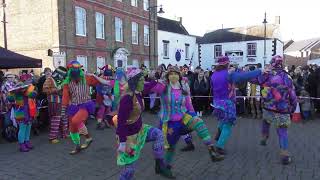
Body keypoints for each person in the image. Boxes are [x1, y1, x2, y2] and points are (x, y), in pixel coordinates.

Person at [95, 66, 174, 179]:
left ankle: (159, 165)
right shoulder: (127, 99)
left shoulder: (139, 91)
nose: (144, 81)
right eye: (141, 80)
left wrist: (157, 80)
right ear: (135, 82)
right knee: (129, 171)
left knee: (158, 134)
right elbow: (121, 123)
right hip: (128, 138)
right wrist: (122, 143)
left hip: (141, 130)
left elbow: (149, 85)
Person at [151, 66, 224, 173]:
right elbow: (151, 88)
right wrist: (158, 80)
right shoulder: (163, 87)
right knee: (171, 146)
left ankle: (212, 151)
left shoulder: (183, 89)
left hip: (183, 117)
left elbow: (189, 105)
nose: (173, 76)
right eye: (171, 74)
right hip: (169, 121)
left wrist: (194, 115)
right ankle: (165, 166)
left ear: (179, 76)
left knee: (199, 122)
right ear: (168, 76)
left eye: (176, 74)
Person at [211, 56, 262, 156]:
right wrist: (259, 71)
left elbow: (212, 87)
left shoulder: (214, 75)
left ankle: (218, 133)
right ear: (227, 64)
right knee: (228, 124)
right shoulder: (229, 74)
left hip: (217, 102)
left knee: (222, 120)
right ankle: (219, 146)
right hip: (227, 102)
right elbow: (244, 77)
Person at [254, 55, 297, 165]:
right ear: (281, 63)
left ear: (272, 63)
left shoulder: (266, 75)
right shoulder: (287, 77)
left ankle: (264, 136)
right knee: (282, 131)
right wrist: (293, 107)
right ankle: (285, 154)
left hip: (268, 107)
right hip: (282, 109)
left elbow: (254, 80)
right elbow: (292, 94)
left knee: (266, 121)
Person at [61, 60, 99, 155]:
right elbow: (65, 97)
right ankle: (77, 146)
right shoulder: (67, 83)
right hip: (73, 106)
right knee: (72, 129)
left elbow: (99, 82)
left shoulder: (87, 78)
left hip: (85, 105)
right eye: (73, 69)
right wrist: (63, 110)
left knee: (76, 121)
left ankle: (88, 137)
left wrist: (94, 75)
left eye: (77, 68)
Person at [43, 67, 68, 144]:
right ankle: (52, 137)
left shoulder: (62, 80)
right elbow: (44, 90)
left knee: (64, 118)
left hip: (62, 102)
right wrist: (56, 89)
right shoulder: (49, 79)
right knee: (55, 119)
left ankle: (64, 134)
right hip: (54, 102)